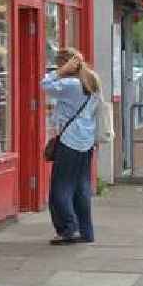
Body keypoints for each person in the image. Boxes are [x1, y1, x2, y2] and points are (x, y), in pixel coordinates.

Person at [41, 48, 101, 245]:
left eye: (59, 65)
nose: (58, 68)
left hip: (70, 141)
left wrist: (60, 72)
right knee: (81, 187)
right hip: (86, 141)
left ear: (67, 65)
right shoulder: (92, 81)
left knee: (61, 187)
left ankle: (68, 229)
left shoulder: (71, 84)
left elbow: (45, 85)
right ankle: (86, 232)